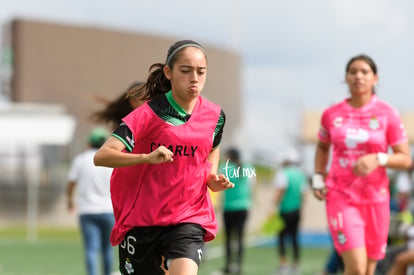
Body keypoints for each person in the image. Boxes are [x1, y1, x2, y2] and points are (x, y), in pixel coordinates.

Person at [94, 39, 234, 275]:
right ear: (168, 72)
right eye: (186, 71)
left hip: (189, 216)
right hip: (142, 219)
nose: (194, 78)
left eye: (201, 72)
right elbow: (102, 156)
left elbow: (213, 146)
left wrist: (211, 176)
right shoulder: (147, 115)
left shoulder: (215, 116)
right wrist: (146, 158)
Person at [311, 54, 412, 275]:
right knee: (355, 268)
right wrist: (319, 176)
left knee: (368, 270)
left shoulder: (388, 114)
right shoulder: (331, 114)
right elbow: (322, 146)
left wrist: (379, 158)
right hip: (341, 195)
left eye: (364, 72)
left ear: (375, 78)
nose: (358, 76)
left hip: (376, 198)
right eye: (353, 71)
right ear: (345, 78)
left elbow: (405, 159)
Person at [66, 127, 115, 275]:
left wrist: (69, 200)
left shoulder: (80, 160)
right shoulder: (111, 159)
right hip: (108, 209)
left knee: (91, 249)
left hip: (87, 210)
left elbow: (71, 184)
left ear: (89, 143)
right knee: (107, 248)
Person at [219, 147, 255, 274]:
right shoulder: (247, 167)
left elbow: (218, 185)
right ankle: (238, 266)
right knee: (240, 238)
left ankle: (228, 265)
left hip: (229, 207)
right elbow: (251, 187)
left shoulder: (224, 167)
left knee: (228, 238)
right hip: (243, 207)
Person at [273, 148, 308, 275]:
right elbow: (304, 194)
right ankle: (296, 266)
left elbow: (280, 192)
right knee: (295, 238)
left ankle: (283, 265)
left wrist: (273, 207)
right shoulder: (300, 174)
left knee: (282, 238)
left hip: (284, 210)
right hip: (296, 210)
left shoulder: (283, 173)